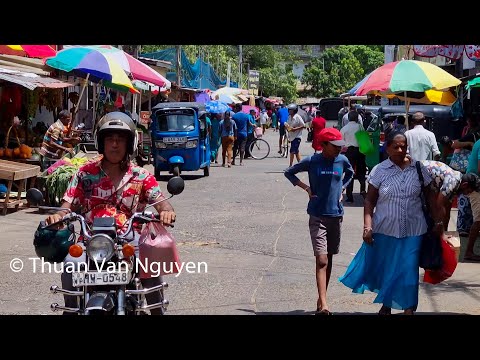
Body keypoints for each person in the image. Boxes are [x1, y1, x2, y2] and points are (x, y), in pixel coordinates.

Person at [44, 111, 176, 315]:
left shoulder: (141, 176)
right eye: (110, 139)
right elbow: (66, 205)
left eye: (120, 139)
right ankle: (71, 309)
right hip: (91, 241)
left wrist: (167, 212)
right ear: (101, 142)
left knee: (150, 265)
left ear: (130, 144)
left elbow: (162, 203)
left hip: (130, 240)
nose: (115, 144)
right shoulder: (85, 173)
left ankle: (157, 311)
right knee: (71, 264)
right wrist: (58, 216)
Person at [339, 131, 441, 315]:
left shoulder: (419, 169)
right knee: (389, 269)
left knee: (408, 271)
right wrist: (367, 227)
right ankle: (387, 304)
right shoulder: (379, 170)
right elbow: (370, 200)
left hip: (415, 229)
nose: (401, 150)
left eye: (404, 146)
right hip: (385, 229)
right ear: (387, 148)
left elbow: (431, 197)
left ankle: (408, 309)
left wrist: (439, 222)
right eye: (396, 146)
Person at [284, 127, 354, 315]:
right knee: (321, 259)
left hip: (336, 216)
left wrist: (342, 190)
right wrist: (306, 188)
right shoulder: (312, 160)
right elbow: (289, 172)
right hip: (317, 215)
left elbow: (350, 173)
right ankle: (324, 305)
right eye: (334, 146)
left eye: (340, 145)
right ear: (323, 145)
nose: (339, 149)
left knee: (329, 257)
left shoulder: (342, 160)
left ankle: (321, 297)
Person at [420, 160, 480, 231]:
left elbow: (447, 209)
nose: (467, 194)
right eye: (469, 191)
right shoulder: (452, 182)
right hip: (417, 174)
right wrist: (439, 226)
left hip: (424, 180)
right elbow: (439, 205)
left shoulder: (457, 183)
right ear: (465, 185)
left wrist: (445, 232)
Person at [340, 111, 367, 202]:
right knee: (361, 171)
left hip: (349, 152)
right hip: (359, 152)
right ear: (356, 118)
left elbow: (341, 143)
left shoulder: (344, 129)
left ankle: (349, 196)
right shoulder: (360, 127)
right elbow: (364, 141)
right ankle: (363, 191)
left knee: (349, 172)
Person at [285, 103, 306, 168]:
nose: (289, 111)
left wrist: (295, 129)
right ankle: (301, 165)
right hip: (291, 136)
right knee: (296, 151)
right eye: (289, 110)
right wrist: (287, 127)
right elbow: (288, 125)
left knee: (292, 151)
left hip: (297, 136)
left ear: (294, 110)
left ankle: (290, 165)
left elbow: (303, 125)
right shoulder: (289, 117)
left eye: (291, 110)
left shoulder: (298, 117)